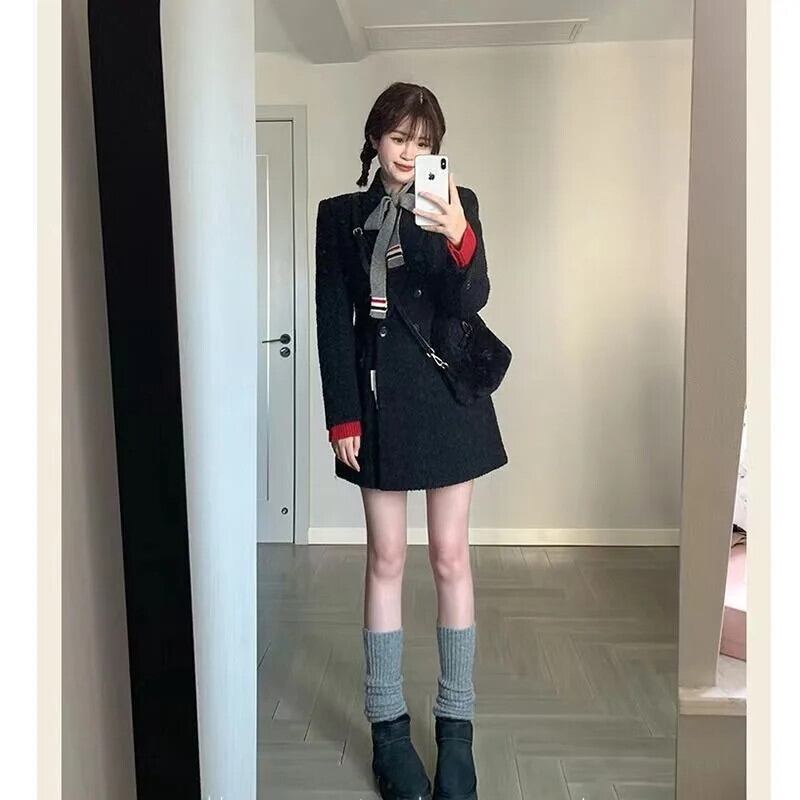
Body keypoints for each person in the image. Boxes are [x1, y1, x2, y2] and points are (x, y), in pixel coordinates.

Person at [314, 81, 508, 800]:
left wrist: (458, 233)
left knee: (452, 557)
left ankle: (457, 732)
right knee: (387, 557)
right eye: (399, 137)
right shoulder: (340, 216)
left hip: (449, 401)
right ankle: (389, 732)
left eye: (424, 143)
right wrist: (342, 416)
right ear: (376, 137)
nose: (408, 152)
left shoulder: (456, 202)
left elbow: (469, 299)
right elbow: (333, 318)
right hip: (379, 404)